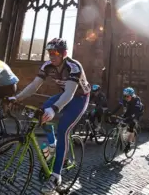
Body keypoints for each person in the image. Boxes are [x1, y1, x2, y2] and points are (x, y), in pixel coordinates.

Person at [8, 38, 90, 194]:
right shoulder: (48, 66)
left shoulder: (74, 67)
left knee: (63, 130)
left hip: (79, 98)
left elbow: (70, 93)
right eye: (50, 52)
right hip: (63, 95)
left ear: (64, 53)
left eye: (56, 53)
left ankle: (56, 176)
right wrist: (17, 98)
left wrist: (54, 108)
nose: (52, 56)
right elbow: (34, 85)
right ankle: (52, 144)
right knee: (41, 111)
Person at [118, 87, 144, 152]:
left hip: (138, 112)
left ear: (132, 95)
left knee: (131, 125)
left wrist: (130, 118)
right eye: (125, 96)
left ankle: (129, 144)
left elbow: (136, 112)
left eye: (127, 96)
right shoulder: (126, 99)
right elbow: (126, 109)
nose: (126, 98)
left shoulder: (137, 99)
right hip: (130, 110)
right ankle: (122, 138)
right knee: (123, 119)